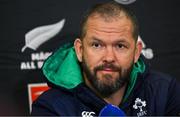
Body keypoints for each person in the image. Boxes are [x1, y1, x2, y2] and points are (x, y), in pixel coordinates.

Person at [31, 1, 180, 116]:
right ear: (80, 50)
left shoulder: (165, 92)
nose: (109, 57)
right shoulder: (51, 107)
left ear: (136, 52)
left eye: (120, 46)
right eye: (97, 45)